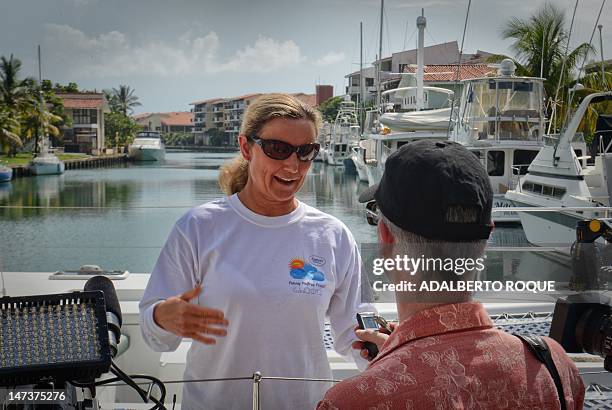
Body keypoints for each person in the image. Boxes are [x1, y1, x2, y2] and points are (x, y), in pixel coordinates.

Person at [139, 93, 370, 410]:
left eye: (306, 152)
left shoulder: (333, 235)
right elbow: (156, 338)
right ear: (246, 147)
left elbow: (351, 336)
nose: (293, 164)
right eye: (278, 149)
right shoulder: (198, 227)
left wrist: (388, 347)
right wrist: (163, 317)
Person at [318, 139, 585, 409]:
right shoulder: (555, 367)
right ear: (488, 234)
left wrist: (397, 357)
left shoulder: (352, 401)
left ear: (386, 236)